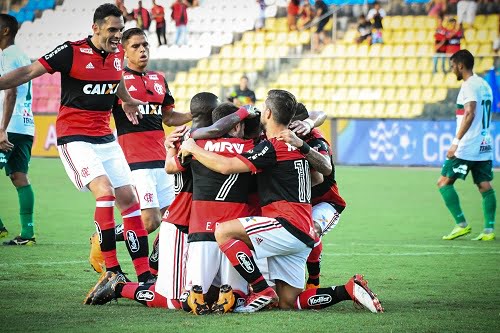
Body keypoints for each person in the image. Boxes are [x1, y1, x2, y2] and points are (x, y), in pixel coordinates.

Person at [179, 90, 383, 313]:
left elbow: (226, 167)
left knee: (224, 232)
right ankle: (347, 290)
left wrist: (194, 148)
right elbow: (323, 168)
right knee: (289, 301)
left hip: (287, 223)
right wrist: (303, 143)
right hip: (304, 232)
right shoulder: (297, 140)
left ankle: (260, 289)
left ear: (267, 113)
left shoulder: (272, 146)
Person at [0, 3, 156, 292]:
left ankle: (145, 275)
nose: (116, 35)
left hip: (105, 138)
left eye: (120, 30)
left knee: (130, 199)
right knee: (105, 191)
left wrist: (127, 99)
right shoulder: (70, 51)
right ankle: (112, 270)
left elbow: (117, 79)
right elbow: (28, 72)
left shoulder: (119, 54)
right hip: (74, 138)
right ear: (95, 28)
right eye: (112, 30)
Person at [88, 27, 192, 274]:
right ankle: (102, 238)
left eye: (145, 45)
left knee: (174, 220)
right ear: (124, 51)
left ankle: (155, 269)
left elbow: (168, 117)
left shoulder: (158, 79)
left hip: (163, 161)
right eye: (136, 46)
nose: (143, 50)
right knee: (150, 221)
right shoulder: (117, 81)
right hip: (134, 162)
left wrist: (195, 115)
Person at [438, 49, 496, 241]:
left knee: (444, 183)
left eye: (453, 66)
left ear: (461, 66)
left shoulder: (469, 85)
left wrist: (455, 142)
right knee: (485, 186)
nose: (452, 69)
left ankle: (462, 224)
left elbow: (470, 112)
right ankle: (489, 230)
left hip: (467, 146)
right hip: (484, 144)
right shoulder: (484, 85)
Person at [0, 14, 36, 245]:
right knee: (19, 176)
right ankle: (27, 233)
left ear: (5, 31)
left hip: (9, 126)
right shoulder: (22, 55)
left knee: (19, 177)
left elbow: (10, 91)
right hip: (25, 125)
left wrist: (2, 130)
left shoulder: (7, 55)